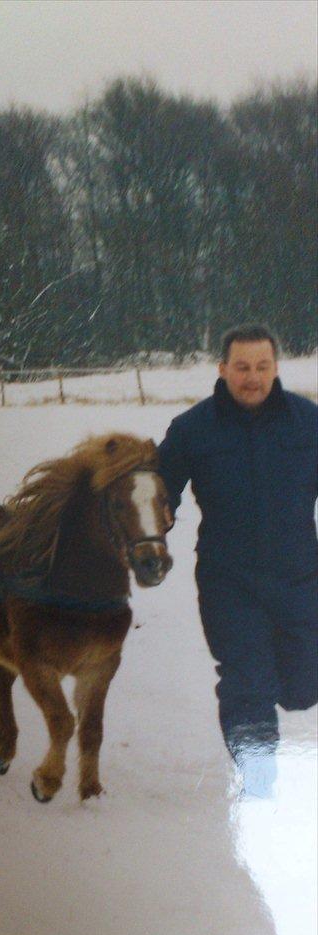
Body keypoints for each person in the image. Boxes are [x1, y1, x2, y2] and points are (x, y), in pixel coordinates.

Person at [158, 324, 318, 797]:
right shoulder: (192, 430)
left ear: (276, 368)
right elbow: (159, 492)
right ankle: (259, 779)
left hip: (300, 578)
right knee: (248, 681)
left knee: (302, 684)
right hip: (229, 582)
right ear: (223, 368)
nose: (253, 377)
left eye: (262, 367)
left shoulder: (308, 422)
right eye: (243, 367)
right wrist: (158, 516)